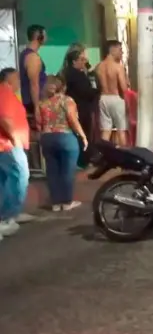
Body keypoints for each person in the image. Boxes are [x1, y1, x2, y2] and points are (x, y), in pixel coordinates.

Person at [39, 75, 88, 211]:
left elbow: (39, 122)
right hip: (65, 137)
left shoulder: (42, 102)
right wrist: (82, 135)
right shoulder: (67, 100)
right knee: (67, 171)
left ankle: (55, 202)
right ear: (63, 86)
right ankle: (66, 202)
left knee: (52, 170)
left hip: (47, 137)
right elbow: (72, 119)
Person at [0, 68, 36, 238]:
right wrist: (15, 139)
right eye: (17, 79)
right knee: (19, 175)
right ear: (9, 80)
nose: (19, 83)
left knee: (6, 180)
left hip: (7, 144)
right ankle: (8, 216)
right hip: (8, 145)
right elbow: (4, 118)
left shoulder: (7, 94)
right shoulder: (4, 93)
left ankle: (12, 212)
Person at [62, 47, 99, 167]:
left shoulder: (67, 73)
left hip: (77, 107)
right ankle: (83, 160)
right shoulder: (76, 75)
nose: (84, 62)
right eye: (82, 60)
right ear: (74, 61)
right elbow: (85, 91)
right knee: (82, 134)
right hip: (80, 108)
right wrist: (95, 91)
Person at [95, 40, 129, 146]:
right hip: (116, 98)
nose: (121, 53)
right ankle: (124, 155)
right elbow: (123, 88)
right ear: (112, 50)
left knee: (106, 130)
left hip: (103, 98)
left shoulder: (98, 67)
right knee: (121, 130)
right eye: (120, 50)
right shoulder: (118, 67)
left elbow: (97, 85)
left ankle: (103, 154)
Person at [19, 24, 47, 123]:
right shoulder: (33, 57)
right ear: (38, 37)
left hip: (32, 102)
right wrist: (37, 108)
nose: (46, 38)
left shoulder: (25, 54)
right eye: (44, 35)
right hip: (34, 103)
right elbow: (34, 84)